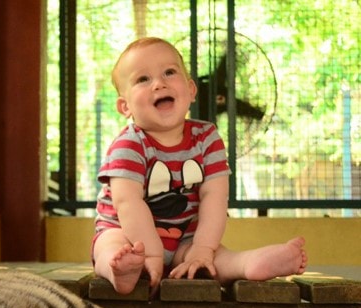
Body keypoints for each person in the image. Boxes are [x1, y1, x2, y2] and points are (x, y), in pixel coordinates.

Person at [93, 37, 307, 294]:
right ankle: (121, 273)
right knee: (109, 247)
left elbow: (214, 196)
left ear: (192, 90)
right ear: (124, 106)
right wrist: (150, 254)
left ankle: (247, 264)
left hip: (186, 236)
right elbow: (127, 203)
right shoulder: (129, 145)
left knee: (213, 260)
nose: (159, 83)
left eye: (169, 72)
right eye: (143, 79)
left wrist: (203, 249)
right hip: (128, 234)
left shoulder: (207, 138)